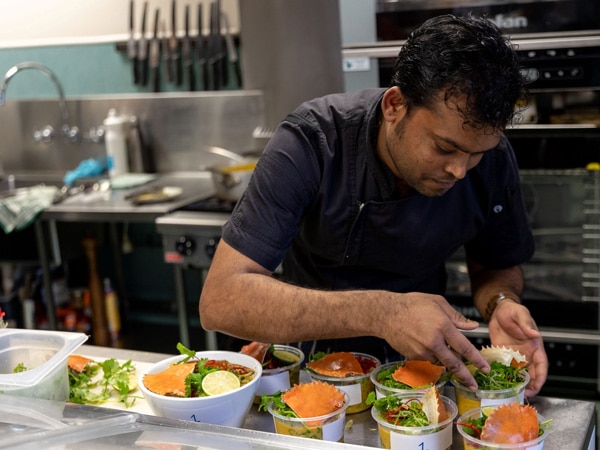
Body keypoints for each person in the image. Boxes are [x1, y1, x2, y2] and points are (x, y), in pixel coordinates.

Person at [199, 14, 548, 396]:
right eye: (444, 148)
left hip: (421, 373)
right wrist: (384, 313)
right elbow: (221, 300)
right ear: (395, 105)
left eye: (475, 154)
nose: (460, 170)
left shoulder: (492, 159)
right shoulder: (312, 141)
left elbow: (495, 267)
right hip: (312, 368)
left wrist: (501, 303)